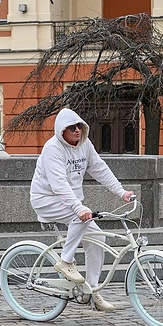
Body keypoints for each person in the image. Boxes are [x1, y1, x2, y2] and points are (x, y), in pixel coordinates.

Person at [30, 108, 135, 312]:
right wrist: (78, 207)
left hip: (70, 201)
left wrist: (121, 192)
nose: (77, 130)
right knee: (81, 217)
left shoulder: (85, 145)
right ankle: (65, 261)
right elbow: (58, 184)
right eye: (72, 127)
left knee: (97, 237)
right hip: (46, 199)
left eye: (79, 126)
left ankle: (92, 290)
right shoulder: (52, 148)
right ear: (62, 130)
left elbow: (99, 168)